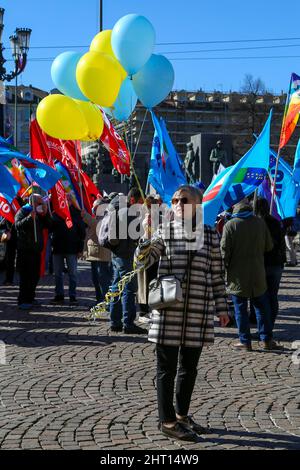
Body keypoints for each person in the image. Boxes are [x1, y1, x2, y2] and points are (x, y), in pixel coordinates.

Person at [136, 185, 230, 442]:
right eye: (175, 200)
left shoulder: (210, 234)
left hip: (198, 311)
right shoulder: (164, 231)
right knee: (166, 369)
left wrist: (222, 308)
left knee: (189, 368)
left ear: (197, 206)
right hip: (168, 311)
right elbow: (142, 262)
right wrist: (146, 236)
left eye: (183, 200)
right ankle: (166, 421)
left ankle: (181, 416)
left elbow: (216, 275)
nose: (177, 203)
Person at [220, 198, 282, 351]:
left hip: (237, 276)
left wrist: (224, 268)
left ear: (235, 210)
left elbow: (224, 253)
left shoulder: (230, 225)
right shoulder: (260, 223)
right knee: (262, 308)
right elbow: (269, 246)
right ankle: (267, 339)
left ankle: (245, 341)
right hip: (258, 273)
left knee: (240, 309)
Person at [108, 188, 147, 335]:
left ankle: (115, 322)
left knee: (116, 287)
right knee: (129, 289)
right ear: (132, 200)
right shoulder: (129, 212)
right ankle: (128, 323)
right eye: (139, 203)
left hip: (116, 253)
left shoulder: (117, 207)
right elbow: (139, 233)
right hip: (125, 253)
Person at [15, 194, 52, 310]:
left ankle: (31, 298)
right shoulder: (23, 211)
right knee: (25, 276)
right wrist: (29, 218)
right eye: (40, 203)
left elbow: (49, 225)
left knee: (34, 276)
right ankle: (23, 300)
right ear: (33, 202)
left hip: (36, 251)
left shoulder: (40, 213)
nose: (41, 205)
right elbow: (17, 225)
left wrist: (45, 213)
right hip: (25, 250)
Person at [254, 197, 286, 328]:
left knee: (262, 297)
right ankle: (270, 323)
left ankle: (265, 325)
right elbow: (281, 243)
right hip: (276, 264)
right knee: (272, 295)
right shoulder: (276, 222)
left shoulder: (257, 223)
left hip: (263, 264)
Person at [51, 196, 86, 305]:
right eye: (65, 200)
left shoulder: (77, 213)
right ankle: (59, 295)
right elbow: (50, 227)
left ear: (72, 202)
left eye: (69, 200)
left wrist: (80, 249)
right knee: (57, 274)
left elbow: (82, 233)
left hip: (72, 249)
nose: (67, 202)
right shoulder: (56, 213)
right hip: (57, 248)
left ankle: (72, 296)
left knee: (73, 274)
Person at [81, 197, 112, 307]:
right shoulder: (98, 216)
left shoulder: (105, 216)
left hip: (101, 255)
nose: (93, 208)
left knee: (103, 279)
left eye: (95, 206)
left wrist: (85, 215)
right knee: (96, 279)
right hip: (95, 254)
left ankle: (106, 302)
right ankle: (100, 300)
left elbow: (96, 225)